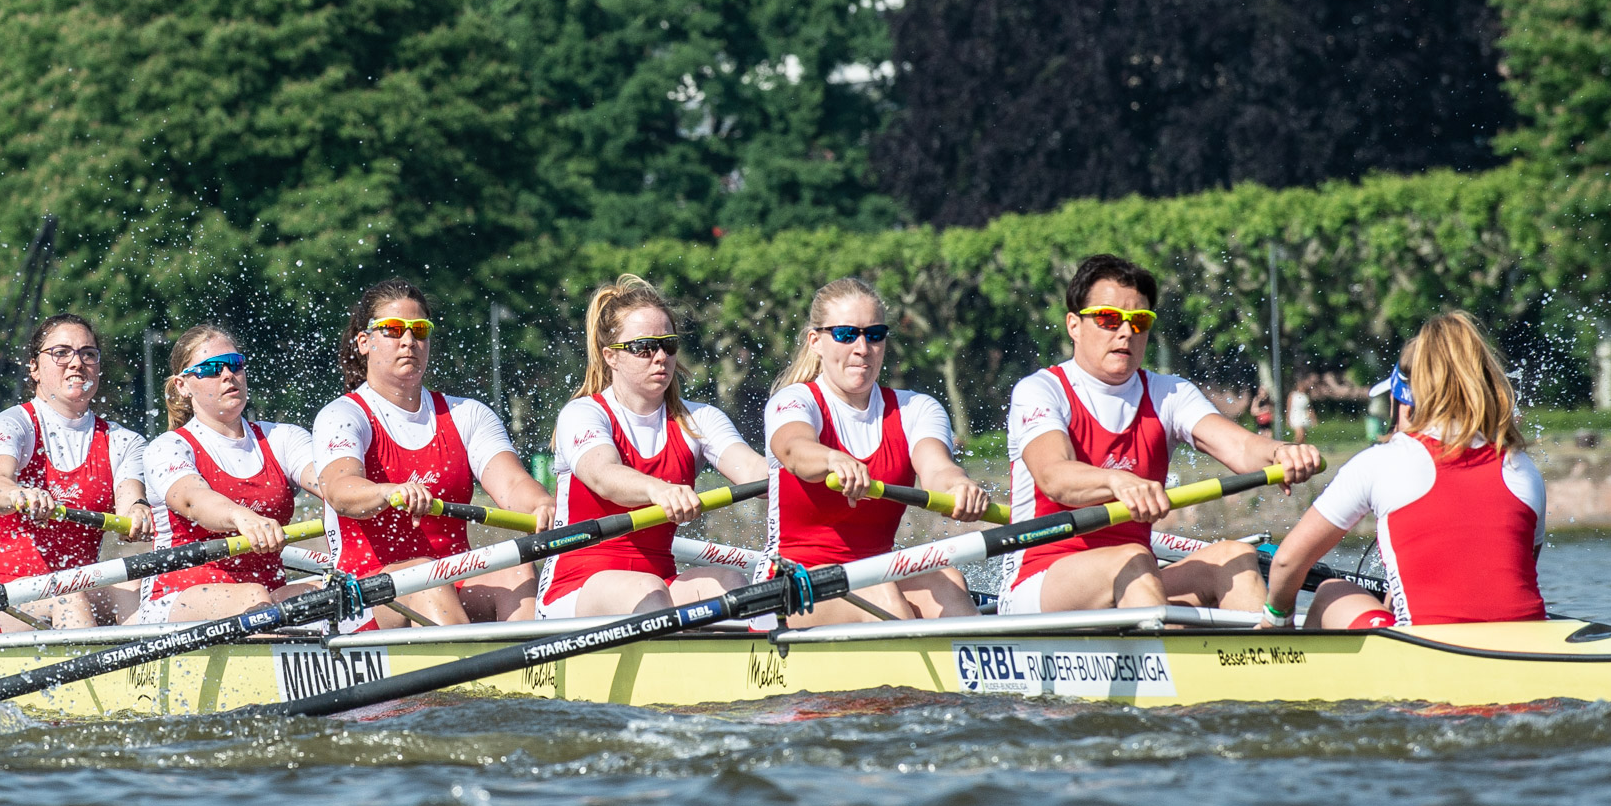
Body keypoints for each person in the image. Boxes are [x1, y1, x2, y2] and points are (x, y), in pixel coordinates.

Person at [1003, 255, 1324, 615]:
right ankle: (1180, 662)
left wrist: (1282, 451)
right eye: (1108, 319)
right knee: (1135, 562)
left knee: (1236, 557)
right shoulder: (1041, 390)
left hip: (1136, 577)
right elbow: (1054, 477)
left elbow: (1242, 446)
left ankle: (1263, 662)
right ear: (1074, 325)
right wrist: (1119, 482)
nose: (1126, 332)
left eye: (1139, 321)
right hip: (1041, 579)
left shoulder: (1168, 393)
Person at [1260, 311, 1545, 630]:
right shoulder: (1522, 467)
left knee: (1331, 590)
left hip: (1427, 651)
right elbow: (1501, 574)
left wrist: (1276, 619)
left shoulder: (1381, 462)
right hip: (1522, 646)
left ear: (1406, 400)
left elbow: (1286, 561)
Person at [315, 279, 556, 628]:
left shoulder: (467, 415)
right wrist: (388, 491)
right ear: (364, 342)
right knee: (427, 579)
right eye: (393, 330)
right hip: (364, 592)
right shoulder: (342, 415)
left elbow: (513, 483)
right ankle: (477, 676)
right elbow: (340, 491)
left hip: (449, 576)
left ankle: (533, 670)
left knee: (516, 570)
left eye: (420, 330)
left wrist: (541, 505)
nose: (409, 341)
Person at [537, 274, 768, 618]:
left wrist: (810, 473)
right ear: (610, 356)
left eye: (668, 344)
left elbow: (752, 470)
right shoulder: (583, 413)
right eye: (643, 347)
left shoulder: (699, 419)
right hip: (575, 587)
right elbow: (602, 475)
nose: (660, 356)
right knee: (647, 590)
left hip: (659, 582)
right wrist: (661, 490)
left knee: (730, 585)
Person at [765, 278, 989, 625]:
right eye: (845, 334)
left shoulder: (917, 409)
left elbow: (937, 470)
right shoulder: (795, 401)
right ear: (816, 342)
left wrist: (959, 486)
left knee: (947, 581)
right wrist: (831, 458)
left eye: (874, 334)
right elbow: (794, 450)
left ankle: (983, 676)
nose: (862, 348)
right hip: (790, 582)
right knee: (881, 594)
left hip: (875, 572)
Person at [0, 313, 154, 631]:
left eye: (88, 354)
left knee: (135, 588)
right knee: (69, 596)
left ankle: (144, 678)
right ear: (34, 367)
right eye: (61, 353)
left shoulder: (124, 441)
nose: (76, 363)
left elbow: (130, 503)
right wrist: (20, 494)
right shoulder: (13, 424)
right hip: (4, 596)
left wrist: (139, 514)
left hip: (75, 588)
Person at [136, 325, 322, 623]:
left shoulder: (283, 438)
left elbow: (331, 483)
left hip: (265, 596)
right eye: (211, 368)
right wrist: (242, 517)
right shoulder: (168, 447)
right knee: (253, 597)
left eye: (235, 364)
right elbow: (192, 500)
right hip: (176, 599)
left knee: (335, 595)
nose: (227, 375)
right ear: (183, 385)